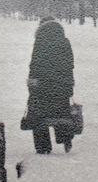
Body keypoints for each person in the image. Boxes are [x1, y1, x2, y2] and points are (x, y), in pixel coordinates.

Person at [25, 18, 75, 154]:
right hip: (62, 84)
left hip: (43, 85)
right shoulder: (65, 42)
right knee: (62, 113)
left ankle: (43, 147)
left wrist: (32, 82)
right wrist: (69, 84)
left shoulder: (40, 42)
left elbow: (35, 63)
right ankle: (66, 139)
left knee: (40, 115)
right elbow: (70, 65)